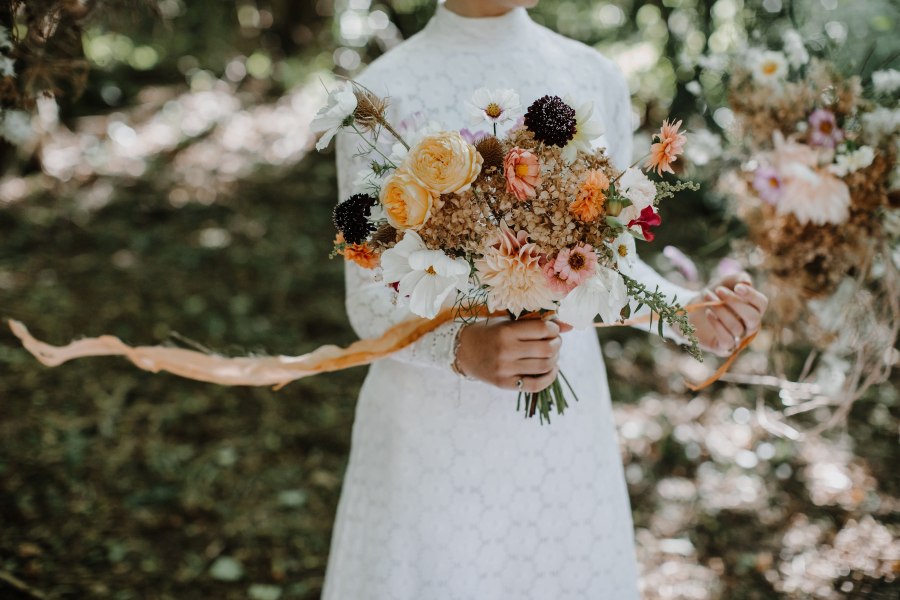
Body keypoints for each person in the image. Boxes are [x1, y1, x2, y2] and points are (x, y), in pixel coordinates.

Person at [321, 1, 768, 597]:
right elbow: (369, 301)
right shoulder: (378, 97)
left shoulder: (593, 75)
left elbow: (615, 270)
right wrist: (463, 348)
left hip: (560, 442)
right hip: (428, 440)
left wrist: (688, 317)